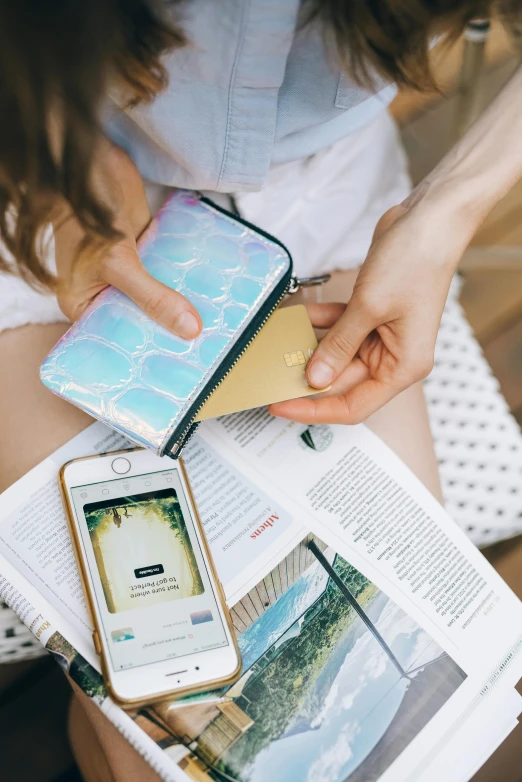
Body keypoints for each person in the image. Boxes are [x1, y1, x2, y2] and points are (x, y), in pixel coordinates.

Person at [1, 1, 522, 779]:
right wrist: (46, 159)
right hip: (44, 189)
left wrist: (445, 211)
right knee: (153, 756)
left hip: (327, 202)